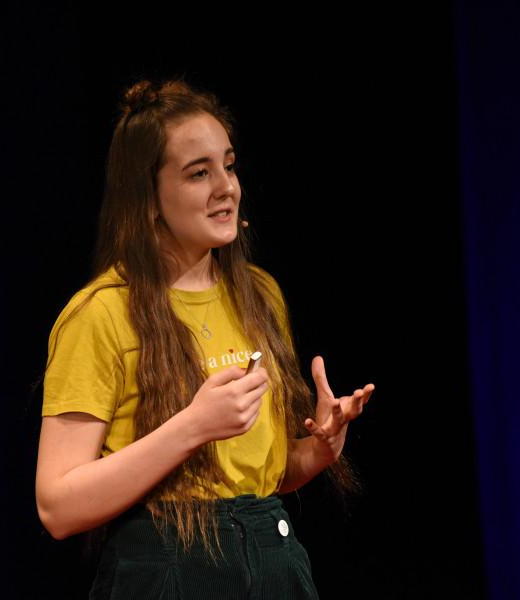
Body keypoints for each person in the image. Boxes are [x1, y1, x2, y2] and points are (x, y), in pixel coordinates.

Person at [34, 77, 375, 599]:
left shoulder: (259, 295)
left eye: (229, 165)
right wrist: (191, 427)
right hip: (166, 572)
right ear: (148, 196)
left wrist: (321, 447)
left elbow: (265, 477)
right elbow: (58, 506)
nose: (227, 187)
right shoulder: (101, 314)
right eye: (199, 173)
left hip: (271, 562)